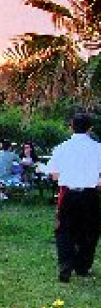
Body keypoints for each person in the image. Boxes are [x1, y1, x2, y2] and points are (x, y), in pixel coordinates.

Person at [46, 113, 101, 284]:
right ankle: (82, 266)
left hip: (68, 194)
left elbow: (54, 175)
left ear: (71, 128)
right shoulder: (98, 148)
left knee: (64, 230)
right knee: (90, 230)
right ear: (90, 129)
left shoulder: (61, 148)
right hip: (90, 194)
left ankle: (65, 266)